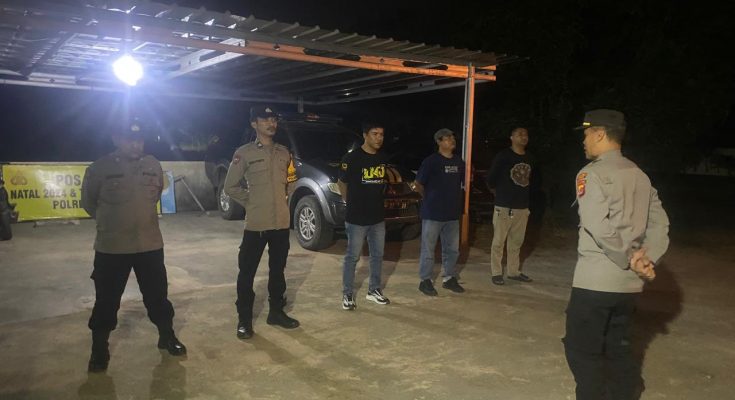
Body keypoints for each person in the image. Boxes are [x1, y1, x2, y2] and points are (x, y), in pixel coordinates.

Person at [563, 109, 669, 399]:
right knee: (618, 349)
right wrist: (646, 259)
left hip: (595, 284)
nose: (584, 140)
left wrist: (628, 257)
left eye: (586, 134)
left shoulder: (591, 174)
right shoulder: (640, 176)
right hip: (629, 287)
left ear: (599, 134)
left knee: (582, 351)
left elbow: (598, 225)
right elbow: (660, 223)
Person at [81, 119, 186, 373]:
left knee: (157, 296)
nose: (136, 144)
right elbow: (89, 203)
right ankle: (99, 348)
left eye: (139, 139)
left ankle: (166, 335)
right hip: (112, 248)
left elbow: (156, 195)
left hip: (149, 245)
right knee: (106, 301)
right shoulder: (100, 168)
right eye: (129, 139)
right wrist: (115, 222)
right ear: (116, 139)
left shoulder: (152, 165)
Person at [224, 105, 300, 340]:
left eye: (273, 119)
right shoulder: (244, 153)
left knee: (278, 271)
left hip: (280, 224)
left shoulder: (284, 152)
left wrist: (284, 199)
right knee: (247, 273)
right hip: (256, 225)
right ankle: (244, 320)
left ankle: (276, 312)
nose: (271, 123)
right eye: (265, 119)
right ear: (254, 124)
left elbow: (291, 181)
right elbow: (230, 186)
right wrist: (252, 202)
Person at [338, 122, 391, 310]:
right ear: (365, 135)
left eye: (381, 134)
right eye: (375, 134)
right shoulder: (352, 158)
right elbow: (342, 182)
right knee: (352, 257)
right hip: (356, 218)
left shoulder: (382, 158)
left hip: (377, 217)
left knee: (377, 255)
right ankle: (347, 294)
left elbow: (382, 184)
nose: (379, 138)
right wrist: (349, 202)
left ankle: (374, 290)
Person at [414, 128, 465, 296]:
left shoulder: (458, 161)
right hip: (433, 213)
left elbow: (461, 183)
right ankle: (425, 281)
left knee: (452, 249)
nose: (452, 140)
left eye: (452, 137)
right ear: (439, 141)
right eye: (447, 138)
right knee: (428, 249)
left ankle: (449, 278)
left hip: (452, 214)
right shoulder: (431, 161)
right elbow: (418, 184)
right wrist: (428, 198)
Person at [486, 127, 534, 285]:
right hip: (504, 206)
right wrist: (499, 194)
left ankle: (513, 271)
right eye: (519, 134)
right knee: (498, 242)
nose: (523, 137)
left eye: (525, 134)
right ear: (511, 138)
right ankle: (496, 272)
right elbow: (491, 179)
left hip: (522, 206)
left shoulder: (529, 157)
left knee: (516, 242)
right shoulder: (503, 156)